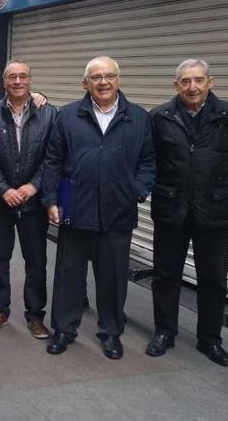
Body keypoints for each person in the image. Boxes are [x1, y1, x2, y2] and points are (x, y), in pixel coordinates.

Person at [41, 56, 156, 360]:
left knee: (113, 277)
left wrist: (137, 190)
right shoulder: (67, 116)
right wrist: (51, 200)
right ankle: (64, 330)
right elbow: (52, 161)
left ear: (118, 80)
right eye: (96, 77)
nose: (103, 82)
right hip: (74, 209)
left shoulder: (139, 118)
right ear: (85, 83)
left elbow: (148, 162)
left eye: (109, 76)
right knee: (68, 274)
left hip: (118, 213)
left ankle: (111, 333)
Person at [145, 59, 228, 366]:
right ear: (176, 85)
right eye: (186, 81)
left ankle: (210, 339)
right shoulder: (159, 117)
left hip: (213, 209)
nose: (193, 87)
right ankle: (164, 332)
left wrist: (209, 184)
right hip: (171, 206)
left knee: (213, 278)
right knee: (165, 275)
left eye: (199, 80)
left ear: (210, 82)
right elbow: (151, 159)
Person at [0, 61, 56, 339]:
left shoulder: (48, 113)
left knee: (36, 262)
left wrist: (34, 186)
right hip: (0, 202)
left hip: (33, 204)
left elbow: (54, 156)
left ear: (31, 81)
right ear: (4, 82)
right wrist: (4, 190)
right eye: (12, 77)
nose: (18, 81)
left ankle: (35, 316)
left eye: (23, 76)